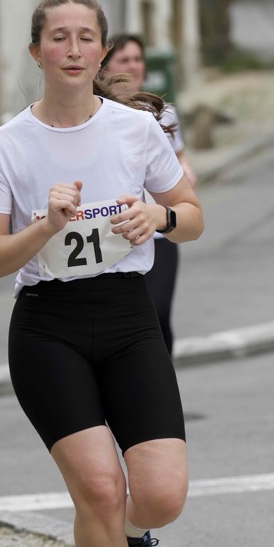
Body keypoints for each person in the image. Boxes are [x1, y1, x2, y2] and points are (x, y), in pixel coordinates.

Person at [0, 0, 203, 547]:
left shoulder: (136, 130)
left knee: (160, 495)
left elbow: (192, 214)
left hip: (128, 316)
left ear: (101, 51)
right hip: (49, 327)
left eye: (84, 37)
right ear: (36, 50)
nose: (71, 49)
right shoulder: (5, 144)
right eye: (58, 37)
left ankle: (134, 536)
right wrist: (43, 226)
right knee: (99, 488)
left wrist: (158, 219)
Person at [101, 33, 195, 354]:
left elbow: (179, 155)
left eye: (138, 59)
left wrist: (186, 169)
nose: (133, 66)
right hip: (117, 231)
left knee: (159, 311)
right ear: (105, 67)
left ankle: (162, 371)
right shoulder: (98, 116)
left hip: (159, 229)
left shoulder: (163, 112)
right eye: (124, 60)